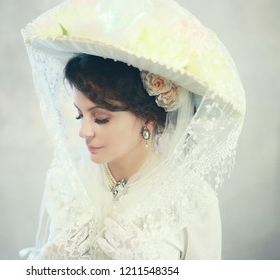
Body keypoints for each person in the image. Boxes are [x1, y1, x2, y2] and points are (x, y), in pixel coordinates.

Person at [20, 0, 245, 260]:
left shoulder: (191, 201)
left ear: (148, 118)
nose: (84, 131)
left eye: (101, 118)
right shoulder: (66, 180)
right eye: (79, 115)